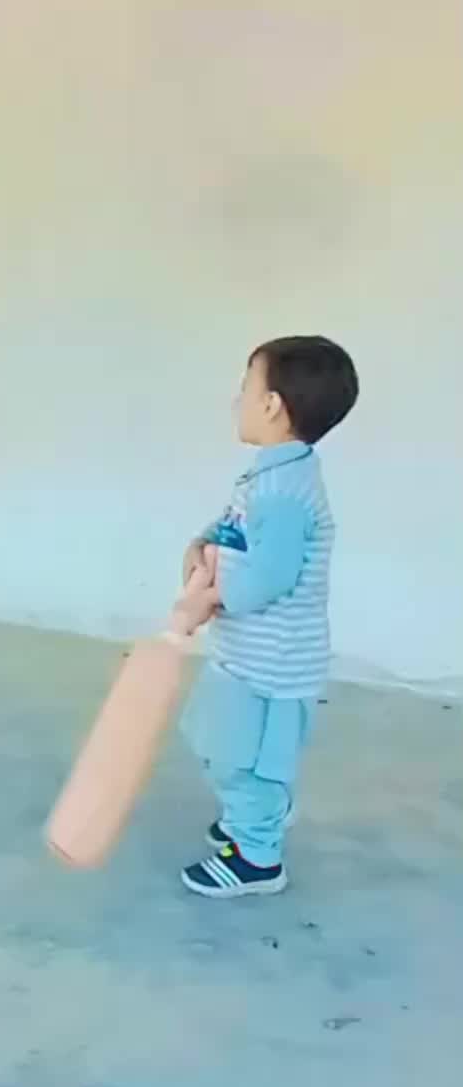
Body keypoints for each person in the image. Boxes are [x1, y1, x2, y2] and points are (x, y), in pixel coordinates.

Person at [178, 336, 359, 898]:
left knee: (243, 759)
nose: (236, 401)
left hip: (270, 666)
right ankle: (253, 816)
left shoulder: (283, 491)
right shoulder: (272, 474)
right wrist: (202, 543)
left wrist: (208, 599)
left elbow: (267, 578)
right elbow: (237, 527)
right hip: (249, 655)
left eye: (245, 389)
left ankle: (257, 856)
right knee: (225, 743)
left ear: (273, 405)